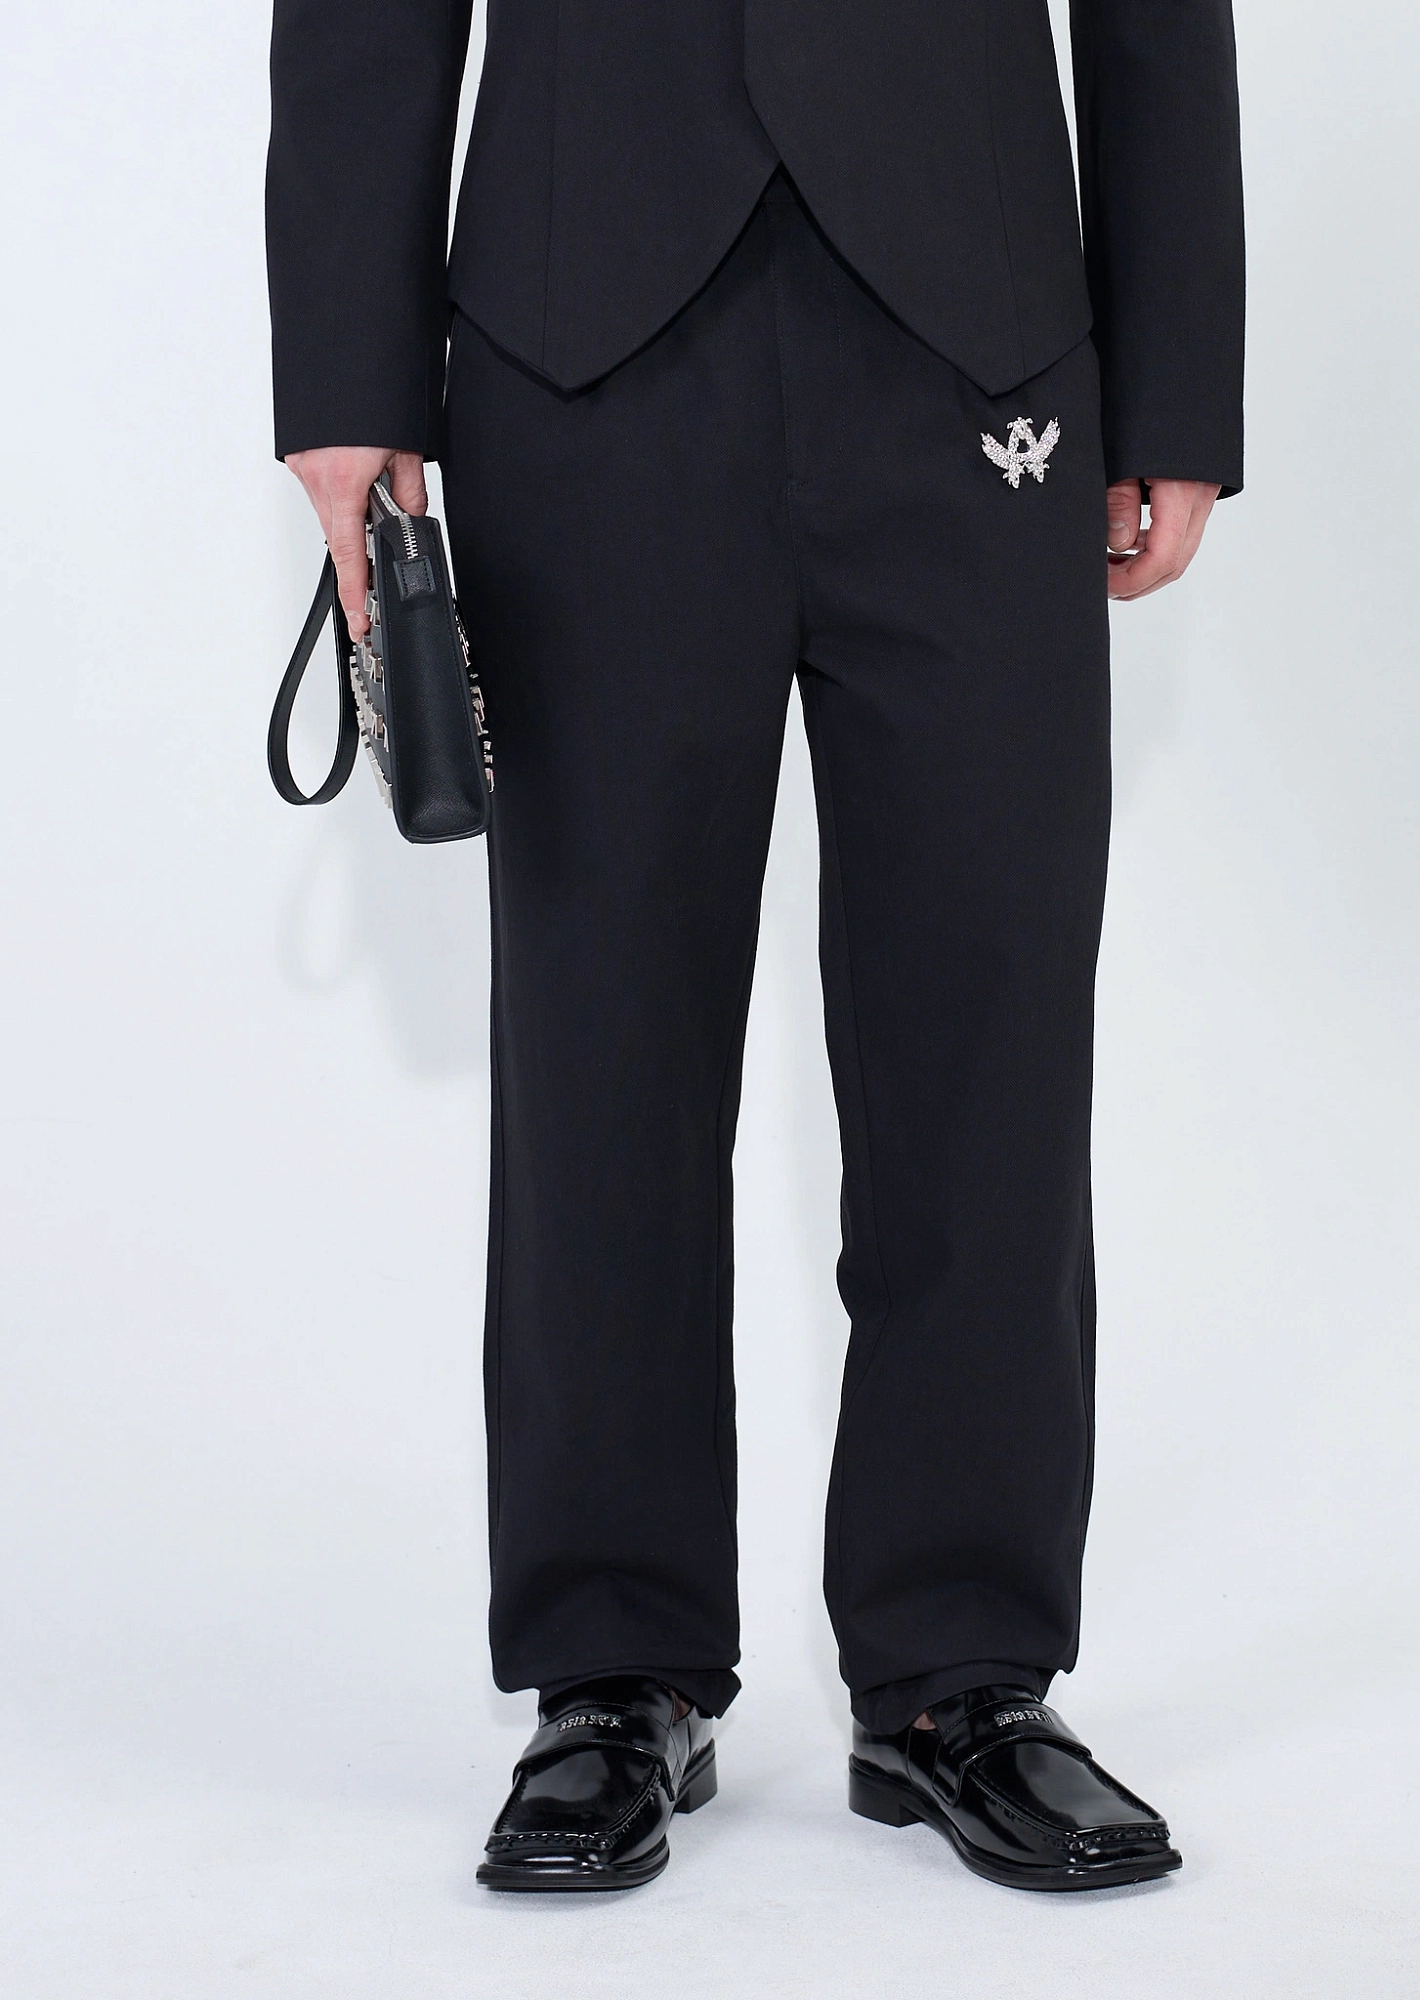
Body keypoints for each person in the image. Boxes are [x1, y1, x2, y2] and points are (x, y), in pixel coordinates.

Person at [267, 0, 1244, 1894]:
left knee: (989, 1026)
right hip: (579, 332)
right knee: (601, 1041)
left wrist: (1180, 377)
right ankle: (609, 1666)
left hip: (981, 335)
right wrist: (347, 365)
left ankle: (963, 1672)